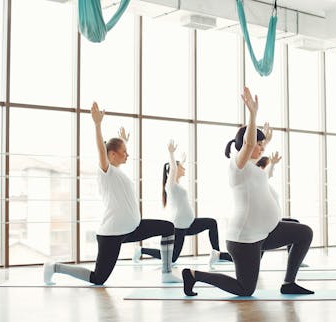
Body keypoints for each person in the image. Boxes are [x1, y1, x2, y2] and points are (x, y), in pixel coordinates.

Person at [182, 87, 314, 296]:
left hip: (266, 233)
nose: (261, 148)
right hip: (245, 238)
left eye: (263, 145)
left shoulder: (252, 168)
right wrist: (252, 115)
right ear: (244, 145)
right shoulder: (237, 166)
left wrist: (265, 143)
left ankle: (289, 283)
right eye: (258, 145)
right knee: (245, 289)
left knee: (304, 233)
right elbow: (249, 143)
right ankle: (194, 275)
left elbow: (256, 152)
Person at [43, 102, 181, 285]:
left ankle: (166, 273)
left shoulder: (117, 172)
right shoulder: (105, 171)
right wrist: (97, 125)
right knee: (98, 279)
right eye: (124, 152)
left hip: (132, 228)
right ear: (112, 154)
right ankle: (54, 268)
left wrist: (124, 142)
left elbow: (114, 155)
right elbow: (102, 149)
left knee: (167, 227)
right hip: (112, 233)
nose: (127, 155)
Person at [133, 140, 233, 268]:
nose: (184, 169)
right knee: (172, 258)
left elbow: (176, 168)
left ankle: (217, 254)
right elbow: (174, 168)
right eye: (182, 167)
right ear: (172, 170)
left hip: (190, 223)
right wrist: (171, 154)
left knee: (211, 223)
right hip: (179, 226)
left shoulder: (177, 185)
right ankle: (141, 250)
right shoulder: (170, 185)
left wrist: (182, 160)